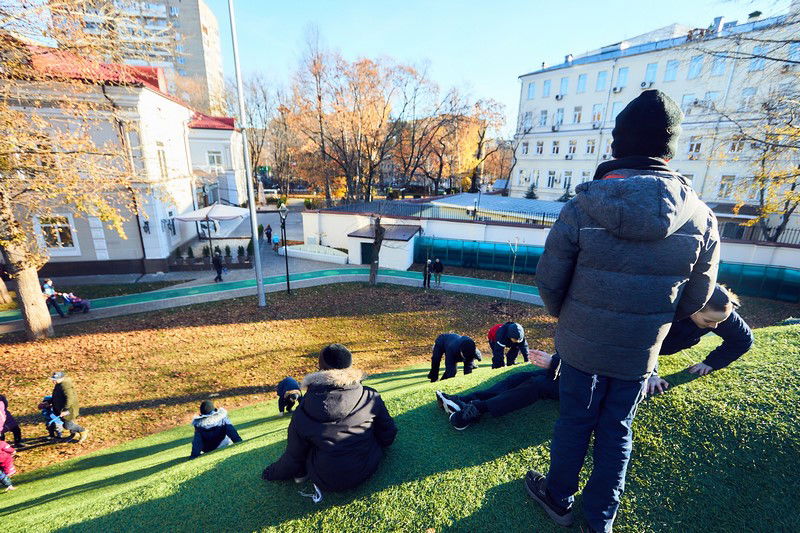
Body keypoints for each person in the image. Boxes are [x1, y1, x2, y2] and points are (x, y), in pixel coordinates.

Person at [527, 90, 719, 532]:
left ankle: (558, 497)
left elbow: (549, 279)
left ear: (618, 145)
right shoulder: (703, 218)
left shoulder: (581, 207)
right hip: (638, 354)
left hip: (580, 347)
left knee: (576, 420)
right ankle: (600, 520)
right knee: (617, 430)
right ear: (670, 151)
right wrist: (657, 327)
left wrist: (567, 317)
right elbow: (697, 297)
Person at [262, 344, 397, 502]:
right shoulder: (370, 395)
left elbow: (293, 458)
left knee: (306, 447)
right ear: (349, 366)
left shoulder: (304, 410)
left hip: (328, 479)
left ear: (320, 368)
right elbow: (388, 434)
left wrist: (269, 473)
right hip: (370, 464)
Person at [647, 284, 754, 395]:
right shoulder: (662, 309)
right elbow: (641, 341)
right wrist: (650, 375)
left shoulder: (720, 312)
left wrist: (712, 362)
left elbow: (743, 339)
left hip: (675, 341)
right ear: (691, 309)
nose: (714, 326)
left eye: (720, 322)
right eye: (708, 321)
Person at [437, 350, 560, 430]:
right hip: (563, 370)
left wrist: (555, 364)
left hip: (576, 385)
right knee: (519, 377)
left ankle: (477, 409)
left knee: (536, 385)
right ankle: (463, 400)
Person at [50, 372, 89, 443]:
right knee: (67, 422)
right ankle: (74, 433)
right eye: (53, 379)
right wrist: (48, 402)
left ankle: (83, 430)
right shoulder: (58, 384)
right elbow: (56, 396)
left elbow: (70, 398)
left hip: (68, 409)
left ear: (62, 378)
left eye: (55, 379)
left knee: (67, 425)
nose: (53, 381)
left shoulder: (66, 386)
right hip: (61, 409)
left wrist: (65, 410)